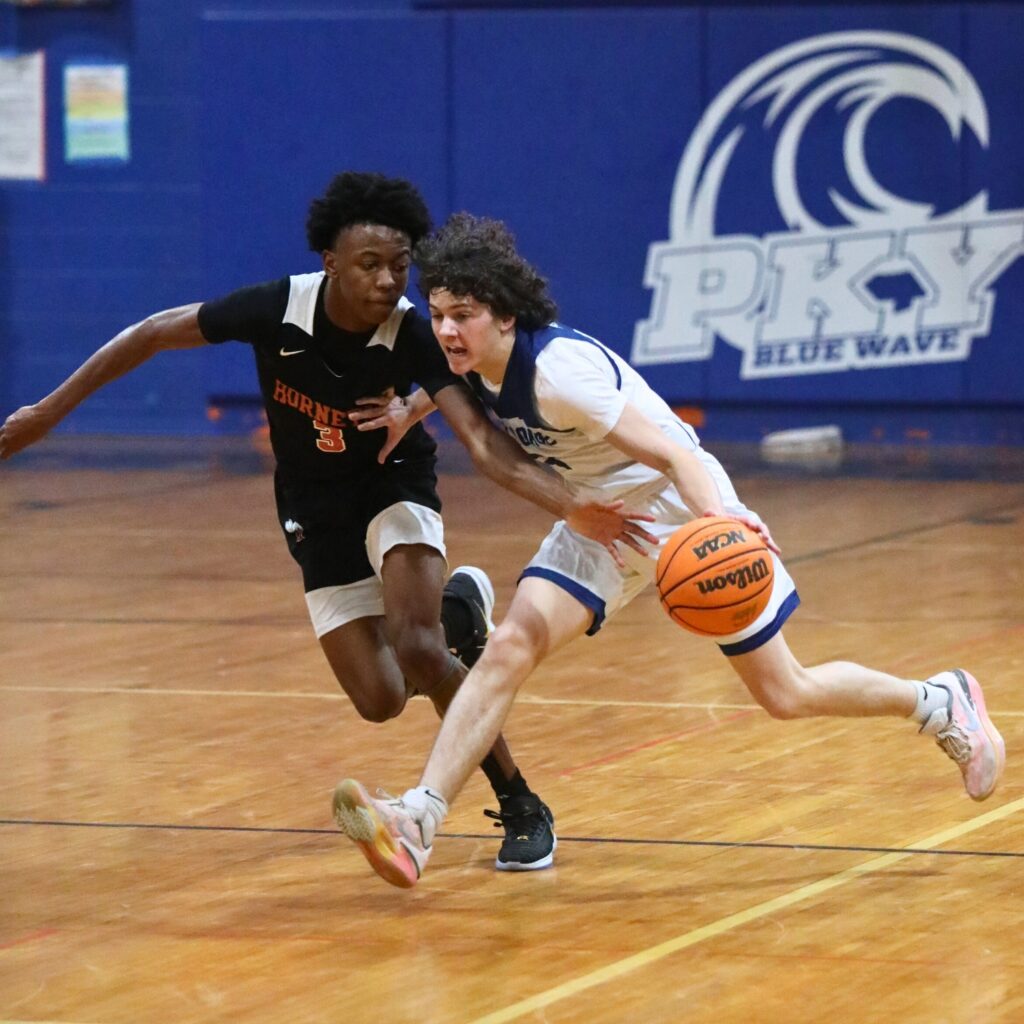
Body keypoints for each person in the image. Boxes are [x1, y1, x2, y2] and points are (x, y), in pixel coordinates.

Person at [0, 175, 655, 876]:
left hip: (392, 485)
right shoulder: (277, 309)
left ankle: (520, 804)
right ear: (330, 262)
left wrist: (569, 505)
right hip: (314, 507)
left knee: (419, 647)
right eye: (369, 264)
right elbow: (154, 333)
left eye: (399, 265)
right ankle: (460, 617)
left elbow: (484, 443)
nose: (387, 280)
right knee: (379, 699)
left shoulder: (411, 331)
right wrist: (46, 412)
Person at [332, 212, 1006, 889]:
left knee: (785, 692)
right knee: (511, 645)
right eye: (439, 315)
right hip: (599, 516)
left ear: (505, 315)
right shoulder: (474, 359)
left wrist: (723, 523)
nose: (447, 330)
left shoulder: (560, 375)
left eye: (464, 315)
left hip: (675, 509)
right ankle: (419, 820)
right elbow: (464, 388)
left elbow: (677, 454)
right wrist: (412, 408)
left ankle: (936, 701)